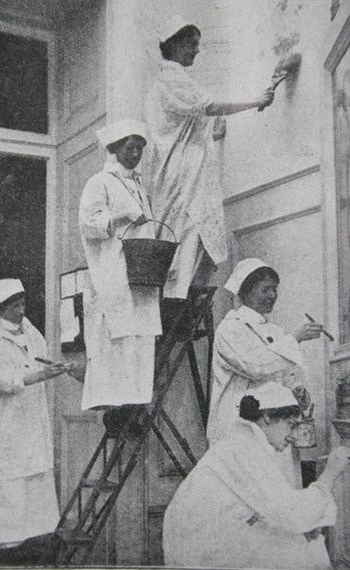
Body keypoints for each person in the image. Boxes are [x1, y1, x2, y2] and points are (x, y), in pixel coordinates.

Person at [145, 15, 274, 301]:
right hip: (181, 178)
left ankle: (180, 303)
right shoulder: (172, 77)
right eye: (192, 44)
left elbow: (185, 126)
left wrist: (212, 136)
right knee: (186, 236)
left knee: (186, 239)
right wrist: (256, 101)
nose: (197, 50)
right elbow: (210, 106)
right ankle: (177, 304)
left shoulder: (166, 81)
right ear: (175, 43)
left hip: (180, 175)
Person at [163, 382, 349, 569]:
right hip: (201, 553)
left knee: (300, 540)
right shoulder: (245, 448)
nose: (292, 436)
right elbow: (292, 513)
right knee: (305, 551)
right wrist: (330, 475)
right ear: (267, 417)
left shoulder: (242, 443)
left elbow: (277, 509)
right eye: (290, 425)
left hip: (199, 543)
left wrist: (305, 524)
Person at [0, 279, 71, 563]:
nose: (21, 309)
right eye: (15, 305)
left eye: (23, 303)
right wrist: (41, 375)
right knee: (7, 476)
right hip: (4, 418)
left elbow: (39, 359)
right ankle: (3, 546)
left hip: (30, 415)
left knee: (33, 470)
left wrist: (53, 366)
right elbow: (5, 380)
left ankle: (33, 538)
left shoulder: (29, 330)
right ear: (1, 309)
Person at [79, 119, 162, 432]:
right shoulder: (99, 182)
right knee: (119, 339)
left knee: (140, 339)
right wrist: (123, 214)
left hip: (141, 275)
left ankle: (135, 403)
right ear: (114, 148)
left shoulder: (139, 185)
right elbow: (90, 225)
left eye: (140, 146)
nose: (137, 152)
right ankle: (118, 408)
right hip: (115, 274)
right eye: (130, 146)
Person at [207, 257, 323, 447]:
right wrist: (295, 339)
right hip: (239, 423)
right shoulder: (230, 329)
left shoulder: (276, 331)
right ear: (246, 292)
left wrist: (297, 391)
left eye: (274, 289)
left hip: (276, 425)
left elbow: (283, 374)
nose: (272, 295)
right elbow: (254, 366)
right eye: (265, 289)